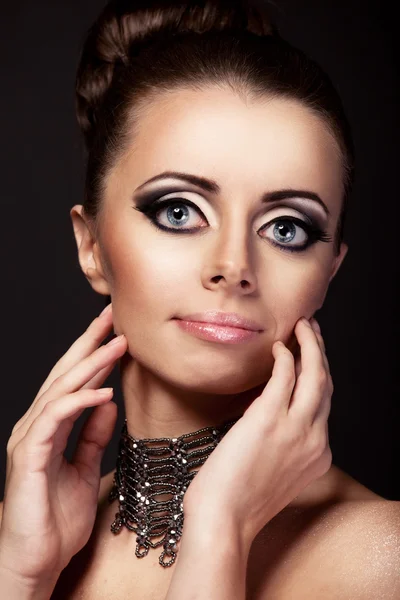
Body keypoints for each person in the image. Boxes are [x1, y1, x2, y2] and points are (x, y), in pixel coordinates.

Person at [0, 1, 399, 598]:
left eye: (286, 228)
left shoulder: (382, 559)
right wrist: (20, 577)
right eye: (179, 211)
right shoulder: (27, 543)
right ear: (91, 246)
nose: (233, 267)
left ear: (329, 271)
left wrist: (219, 530)